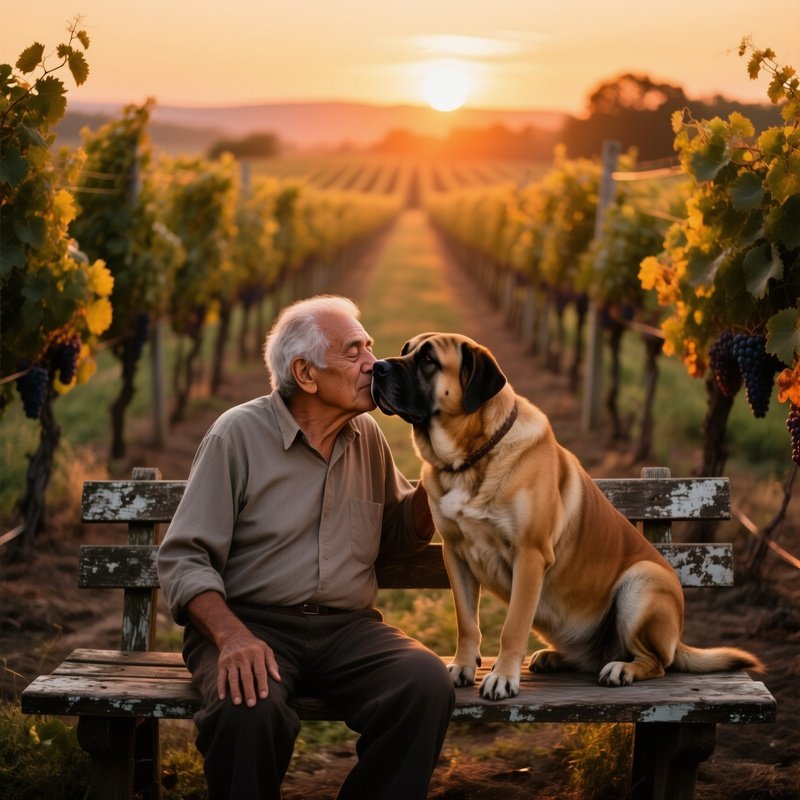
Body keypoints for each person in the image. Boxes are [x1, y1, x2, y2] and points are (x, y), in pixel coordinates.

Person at [157, 295, 455, 800]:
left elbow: (401, 536)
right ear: (306, 373)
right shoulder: (237, 435)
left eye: (370, 347)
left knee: (424, 682)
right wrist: (232, 638)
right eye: (354, 351)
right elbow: (185, 558)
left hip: (347, 630)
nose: (372, 363)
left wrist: (439, 462)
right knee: (246, 707)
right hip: (251, 622)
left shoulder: (366, 436)